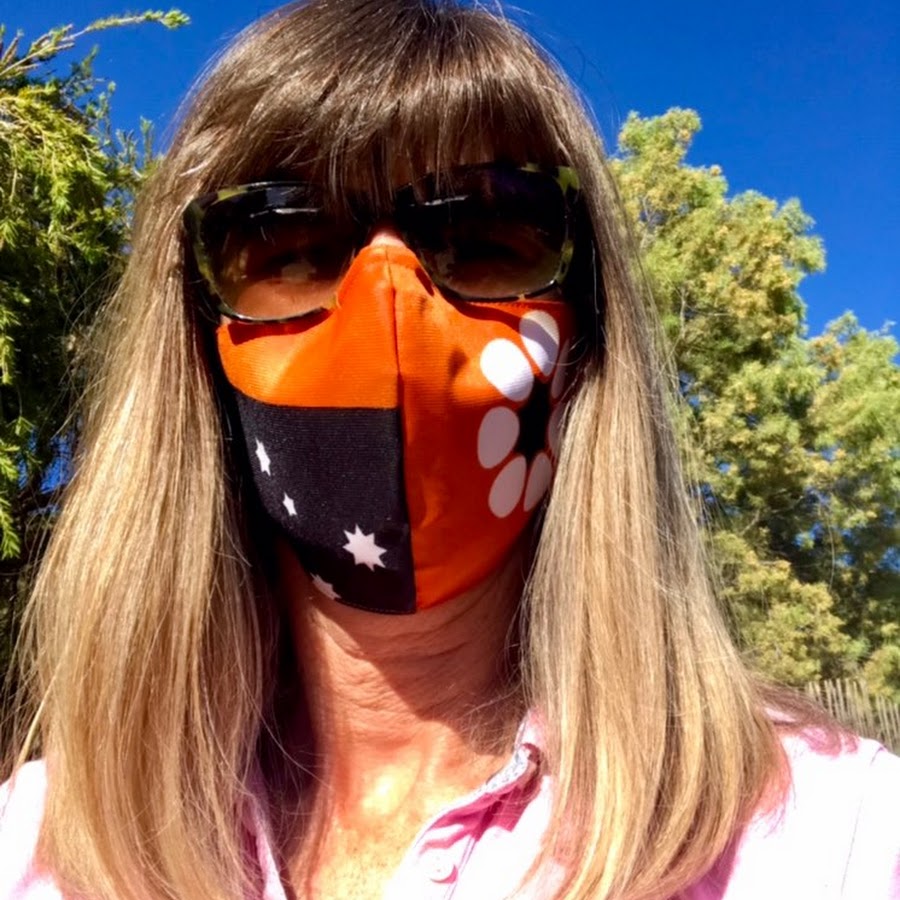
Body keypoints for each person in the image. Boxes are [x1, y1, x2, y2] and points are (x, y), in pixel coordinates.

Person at [1, 1, 898, 898]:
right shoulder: (33, 848)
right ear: (195, 330)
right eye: (290, 244)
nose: (389, 302)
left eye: (485, 239)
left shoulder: (832, 837)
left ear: (589, 324)